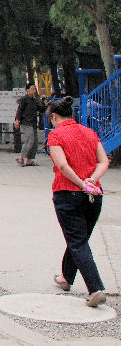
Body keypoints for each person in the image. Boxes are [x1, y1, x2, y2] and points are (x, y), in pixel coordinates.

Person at [46, 96, 109, 308]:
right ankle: (66, 277)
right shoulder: (89, 132)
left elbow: (62, 166)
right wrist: (92, 180)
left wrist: (81, 184)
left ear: (54, 116)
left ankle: (96, 288)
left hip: (68, 193)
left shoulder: (56, 135)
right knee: (78, 239)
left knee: (77, 241)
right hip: (94, 195)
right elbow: (104, 161)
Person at [14, 83, 44, 166]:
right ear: (27, 89)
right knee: (29, 140)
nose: (34, 90)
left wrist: (44, 104)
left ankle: (30, 160)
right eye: (32, 89)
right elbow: (19, 110)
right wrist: (17, 120)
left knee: (35, 142)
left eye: (35, 89)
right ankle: (21, 157)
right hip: (26, 123)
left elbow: (41, 109)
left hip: (33, 123)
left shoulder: (35, 100)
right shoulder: (24, 99)